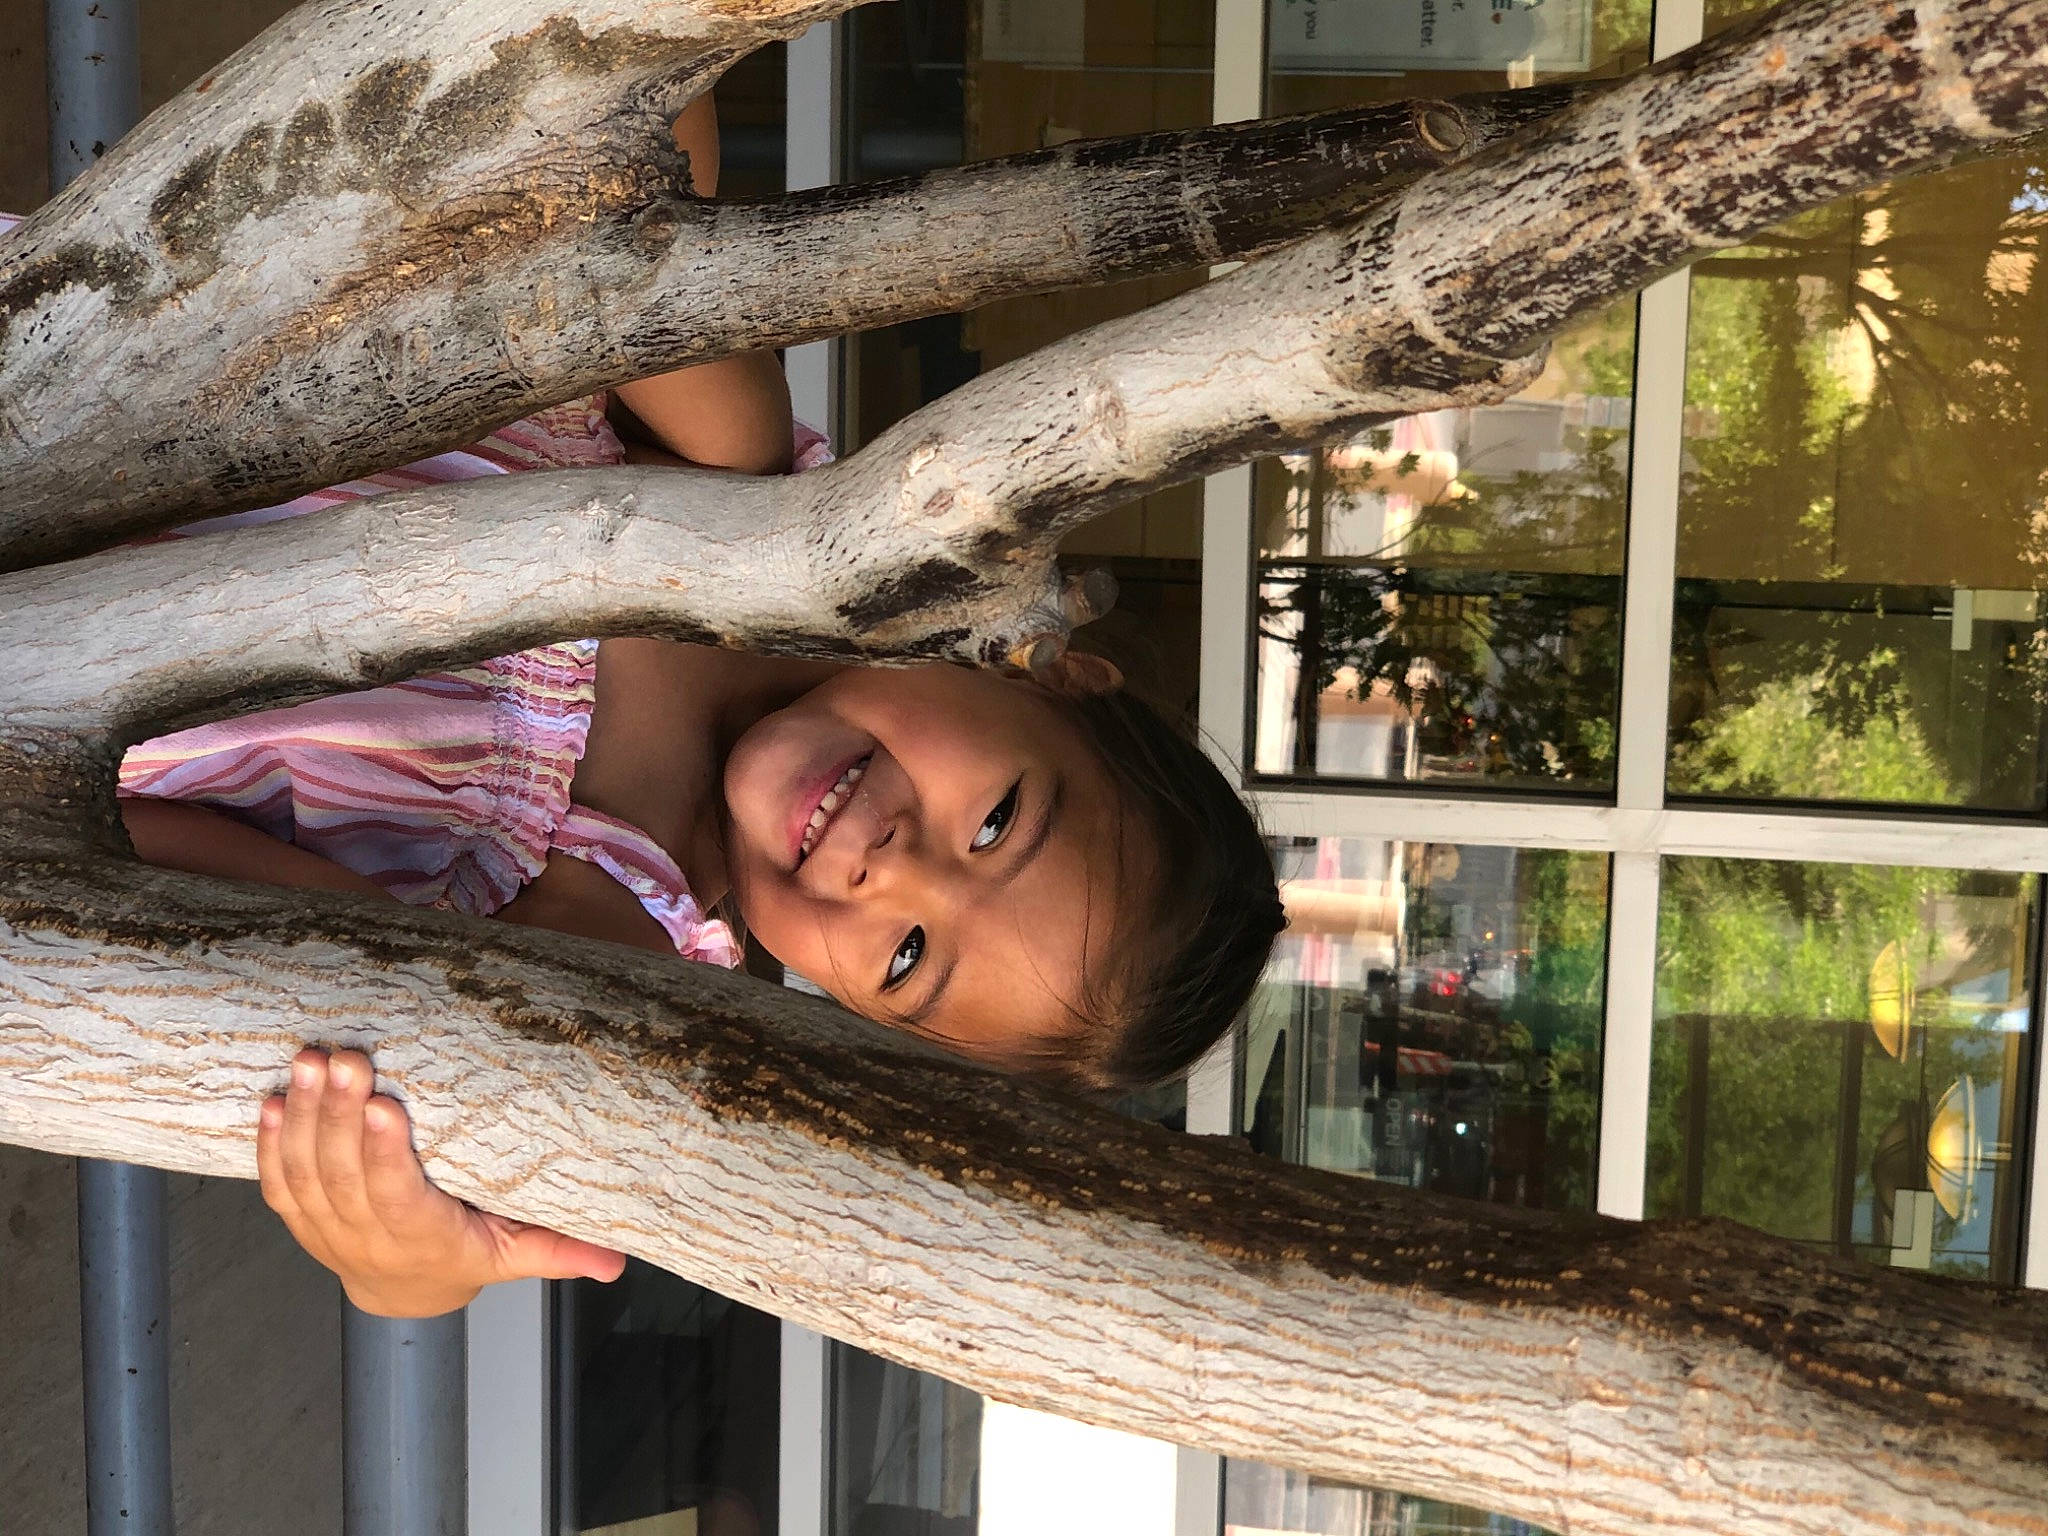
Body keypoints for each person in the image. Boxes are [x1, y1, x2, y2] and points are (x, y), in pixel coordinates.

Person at [89, 95, 1285, 1319]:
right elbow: (622, 215)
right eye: (994, 825)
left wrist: (408, 1266)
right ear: (1053, 672)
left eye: (910, 959)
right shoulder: (741, 479)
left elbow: (407, 1085)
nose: (892, 869)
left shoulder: (604, 921)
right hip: (71, 396)